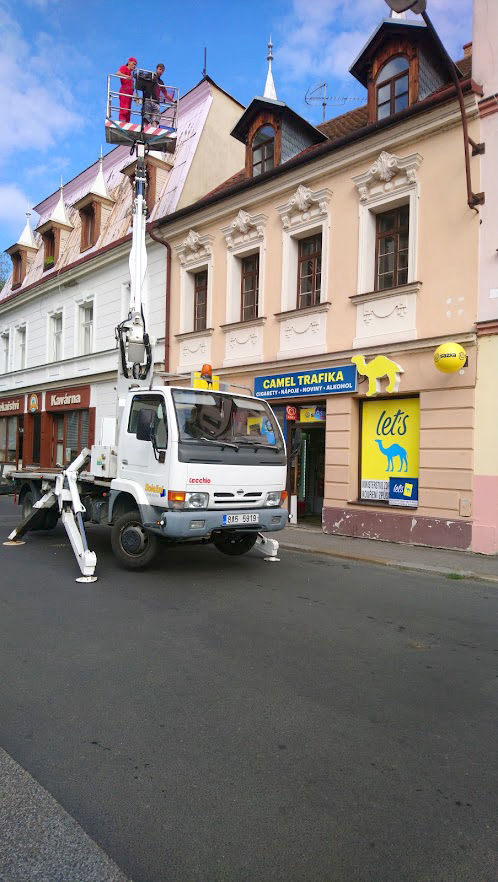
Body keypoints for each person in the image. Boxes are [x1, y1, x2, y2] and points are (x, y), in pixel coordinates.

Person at [116, 57, 137, 123]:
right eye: (133, 64)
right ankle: (122, 122)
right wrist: (125, 76)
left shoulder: (131, 74)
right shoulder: (124, 68)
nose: (134, 66)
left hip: (130, 93)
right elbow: (118, 73)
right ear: (129, 62)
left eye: (135, 65)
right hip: (124, 91)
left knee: (128, 110)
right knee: (124, 108)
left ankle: (126, 122)